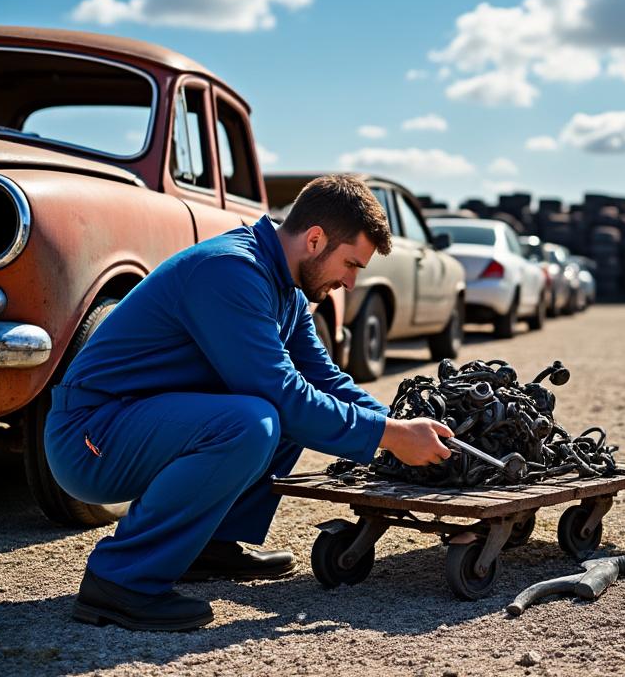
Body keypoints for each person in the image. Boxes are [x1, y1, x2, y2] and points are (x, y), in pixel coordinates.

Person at [45, 174, 453, 632]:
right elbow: (282, 392)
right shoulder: (230, 270)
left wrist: (402, 423)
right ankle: (120, 583)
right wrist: (391, 438)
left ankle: (210, 546)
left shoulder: (286, 288)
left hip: (137, 425)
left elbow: (324, 380)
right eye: (351, 264)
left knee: (280, 414)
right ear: (315, 239)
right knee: (254, 420)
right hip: (90, 438)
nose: (352, 283)